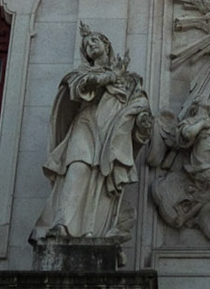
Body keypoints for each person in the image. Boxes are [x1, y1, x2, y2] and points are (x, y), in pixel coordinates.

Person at [32, 25, 153, 245]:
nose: (91, 44)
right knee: (77, 168)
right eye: (87, 44)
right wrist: (110, 76)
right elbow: (79, 89)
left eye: (95, 40)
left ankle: (92, 230)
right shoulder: (82, 74)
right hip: (86, 125)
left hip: (111, 131)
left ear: (106, 44)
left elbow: (140, 107)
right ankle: (62, 224)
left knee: (100, 179)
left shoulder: (130, 79)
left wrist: (142, 121)